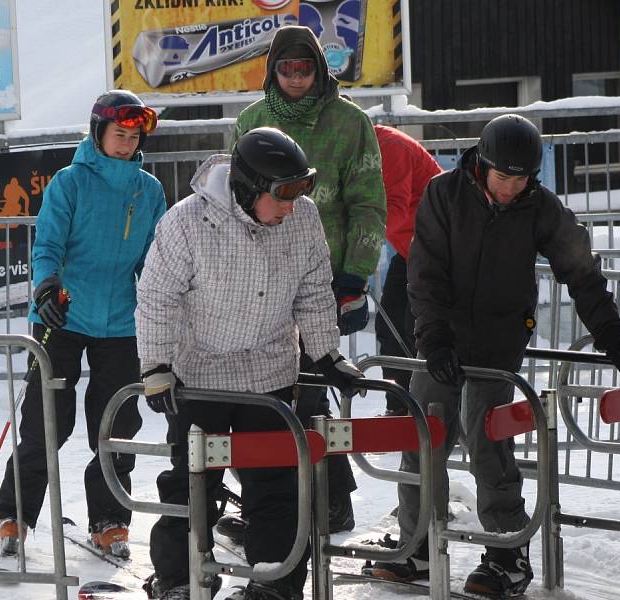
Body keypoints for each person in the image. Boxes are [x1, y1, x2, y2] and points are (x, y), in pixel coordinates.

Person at [368, 114, 620, 598]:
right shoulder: (445, 194)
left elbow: (580, 270)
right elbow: (425, 272)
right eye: (503, 178)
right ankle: (416, 545)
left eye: (521, 180)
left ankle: (507, 551)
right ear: (482, 165)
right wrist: (435, 339)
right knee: (422, 432)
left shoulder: (539, 207)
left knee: (487, 435)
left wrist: (612, 337)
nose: (509, 189)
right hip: (444, 335)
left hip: (500, 336)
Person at [136, 127, 366, 600]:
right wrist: (155, 367)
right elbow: (158, 296)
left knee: (277, 486)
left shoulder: (301, 218)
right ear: (247, 185)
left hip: (269, 375)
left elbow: (313, 290)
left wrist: (326, 354)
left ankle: (275, 584)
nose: (291, 205)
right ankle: (180, 578)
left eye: (300, 190)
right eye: (282, 194)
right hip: (202, 375)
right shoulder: (188, 222)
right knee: (192, 486)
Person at [225, 24, 386, 537]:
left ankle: (331, 502)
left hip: (326, 279)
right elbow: (232, 202)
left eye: (305, 68)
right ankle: (273, 505)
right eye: (286, 69)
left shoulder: (350, 122)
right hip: (260, 282)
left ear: (319, 69)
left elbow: (367, 202)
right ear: (272, 71)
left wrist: (355, 273)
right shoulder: (251, 121)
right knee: (266, 398)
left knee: (313, 393)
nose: (295, 78)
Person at [0, 90, 166, 560]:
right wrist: (47, 287)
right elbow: (47, 244)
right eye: (119, 135)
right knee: (47, 423)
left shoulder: (148, 190)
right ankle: (17, 514)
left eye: (134, 138)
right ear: (98, 132)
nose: (127, 144)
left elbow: (155, 263)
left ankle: (110, 518)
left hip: (120, 323)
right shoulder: (69, 183)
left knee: (116, 424)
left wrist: (163, 308)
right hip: (63, 315)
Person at [372, 124, 442, 416]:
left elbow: (395, 208)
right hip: (409, 248)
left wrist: (356, 244)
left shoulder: (390, 147)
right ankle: (398, 408)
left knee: (413, 328)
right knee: (387, 325)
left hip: (439, 248)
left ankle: (425, 410)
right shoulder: (354, 155)